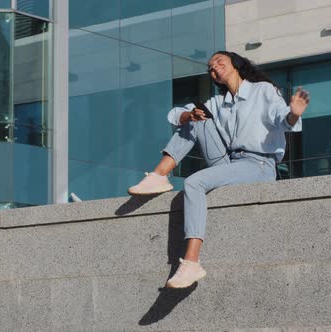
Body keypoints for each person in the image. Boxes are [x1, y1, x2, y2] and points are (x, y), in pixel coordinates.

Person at [127, 51, 310, 288]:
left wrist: (293, 114)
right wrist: (189, 115)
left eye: (219, 62)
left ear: (235, 64)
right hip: (231, 162)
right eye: (210, 67)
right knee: (195, 117)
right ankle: (159, 175)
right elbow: (174, 115)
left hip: (259, 164)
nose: (214, 67)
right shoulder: (217, 103)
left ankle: (191, 262)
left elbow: (282, 120)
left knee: (193, 182)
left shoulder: (262, 90)